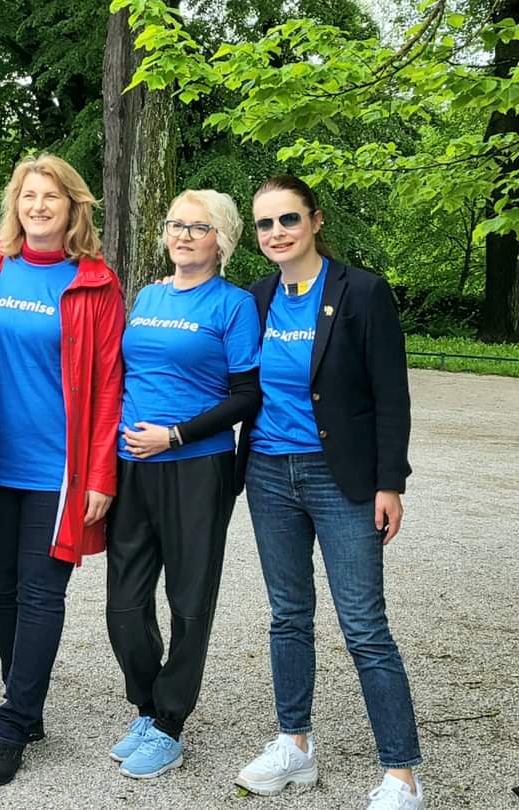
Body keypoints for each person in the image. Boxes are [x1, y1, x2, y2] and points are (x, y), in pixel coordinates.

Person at [234, 175, 424, 809]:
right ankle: (296, 746)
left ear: (315, 221)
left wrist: (390, 482)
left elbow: (391, 395)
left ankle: (402, 775)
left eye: (288, 219)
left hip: (340, 476)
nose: (276, 233)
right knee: (288, 616)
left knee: (365, 625)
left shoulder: (362, 291)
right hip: (267, 472)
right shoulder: (257, 297)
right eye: (265, 224)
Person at [0, 154, 124, 786]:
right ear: (16, 205)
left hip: (58, 471)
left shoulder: (95, 283)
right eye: (28, 196)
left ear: (72, 208)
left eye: (51, 197)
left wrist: (101, 475)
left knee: (41, 594)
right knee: (2, 590)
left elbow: (110, 383)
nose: (38, 206)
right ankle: (26, 707)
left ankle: (13, 723)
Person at [105, 190, 261, 779]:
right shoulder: (147, 296)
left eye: (199, 228)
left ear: (222, 240)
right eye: (177, 225)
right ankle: (146, 706)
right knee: (124, 603)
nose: (184, 236)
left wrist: (175, 435)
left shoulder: (234, 305)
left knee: (189, 601)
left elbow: (247, 395)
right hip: (132, 466)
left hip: (197, 467)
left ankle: (170, 723)